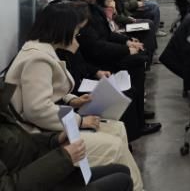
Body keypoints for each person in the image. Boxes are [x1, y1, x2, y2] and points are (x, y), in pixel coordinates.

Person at [4, 3, 144, 191]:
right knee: (114, 146)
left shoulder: (41, 51)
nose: (77, 38)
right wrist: (80, 121)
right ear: (63, 30)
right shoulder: (37, 59)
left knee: (117, 128)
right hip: (39, 136)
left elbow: (46, 92)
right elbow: (37, 109)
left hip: (46, 130)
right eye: (76, 33)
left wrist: (71, 100)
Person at [53, 0, 160, 136]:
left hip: (93, 60)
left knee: (138, 58)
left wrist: (126, 42)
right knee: (135, 63)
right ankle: (135, 124)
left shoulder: (86, 5)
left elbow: (106, 33)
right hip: (92, 61)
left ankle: (137, 113)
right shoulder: (68, 10)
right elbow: (92, 46)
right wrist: (124, 50)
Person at [0, 79, 133, 191]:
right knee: (122, 179)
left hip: (44, 175)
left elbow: (23, 143)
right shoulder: (36, 60)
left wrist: (55, 139)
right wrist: (63, 157)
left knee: (122, 170)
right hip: (42, 177)